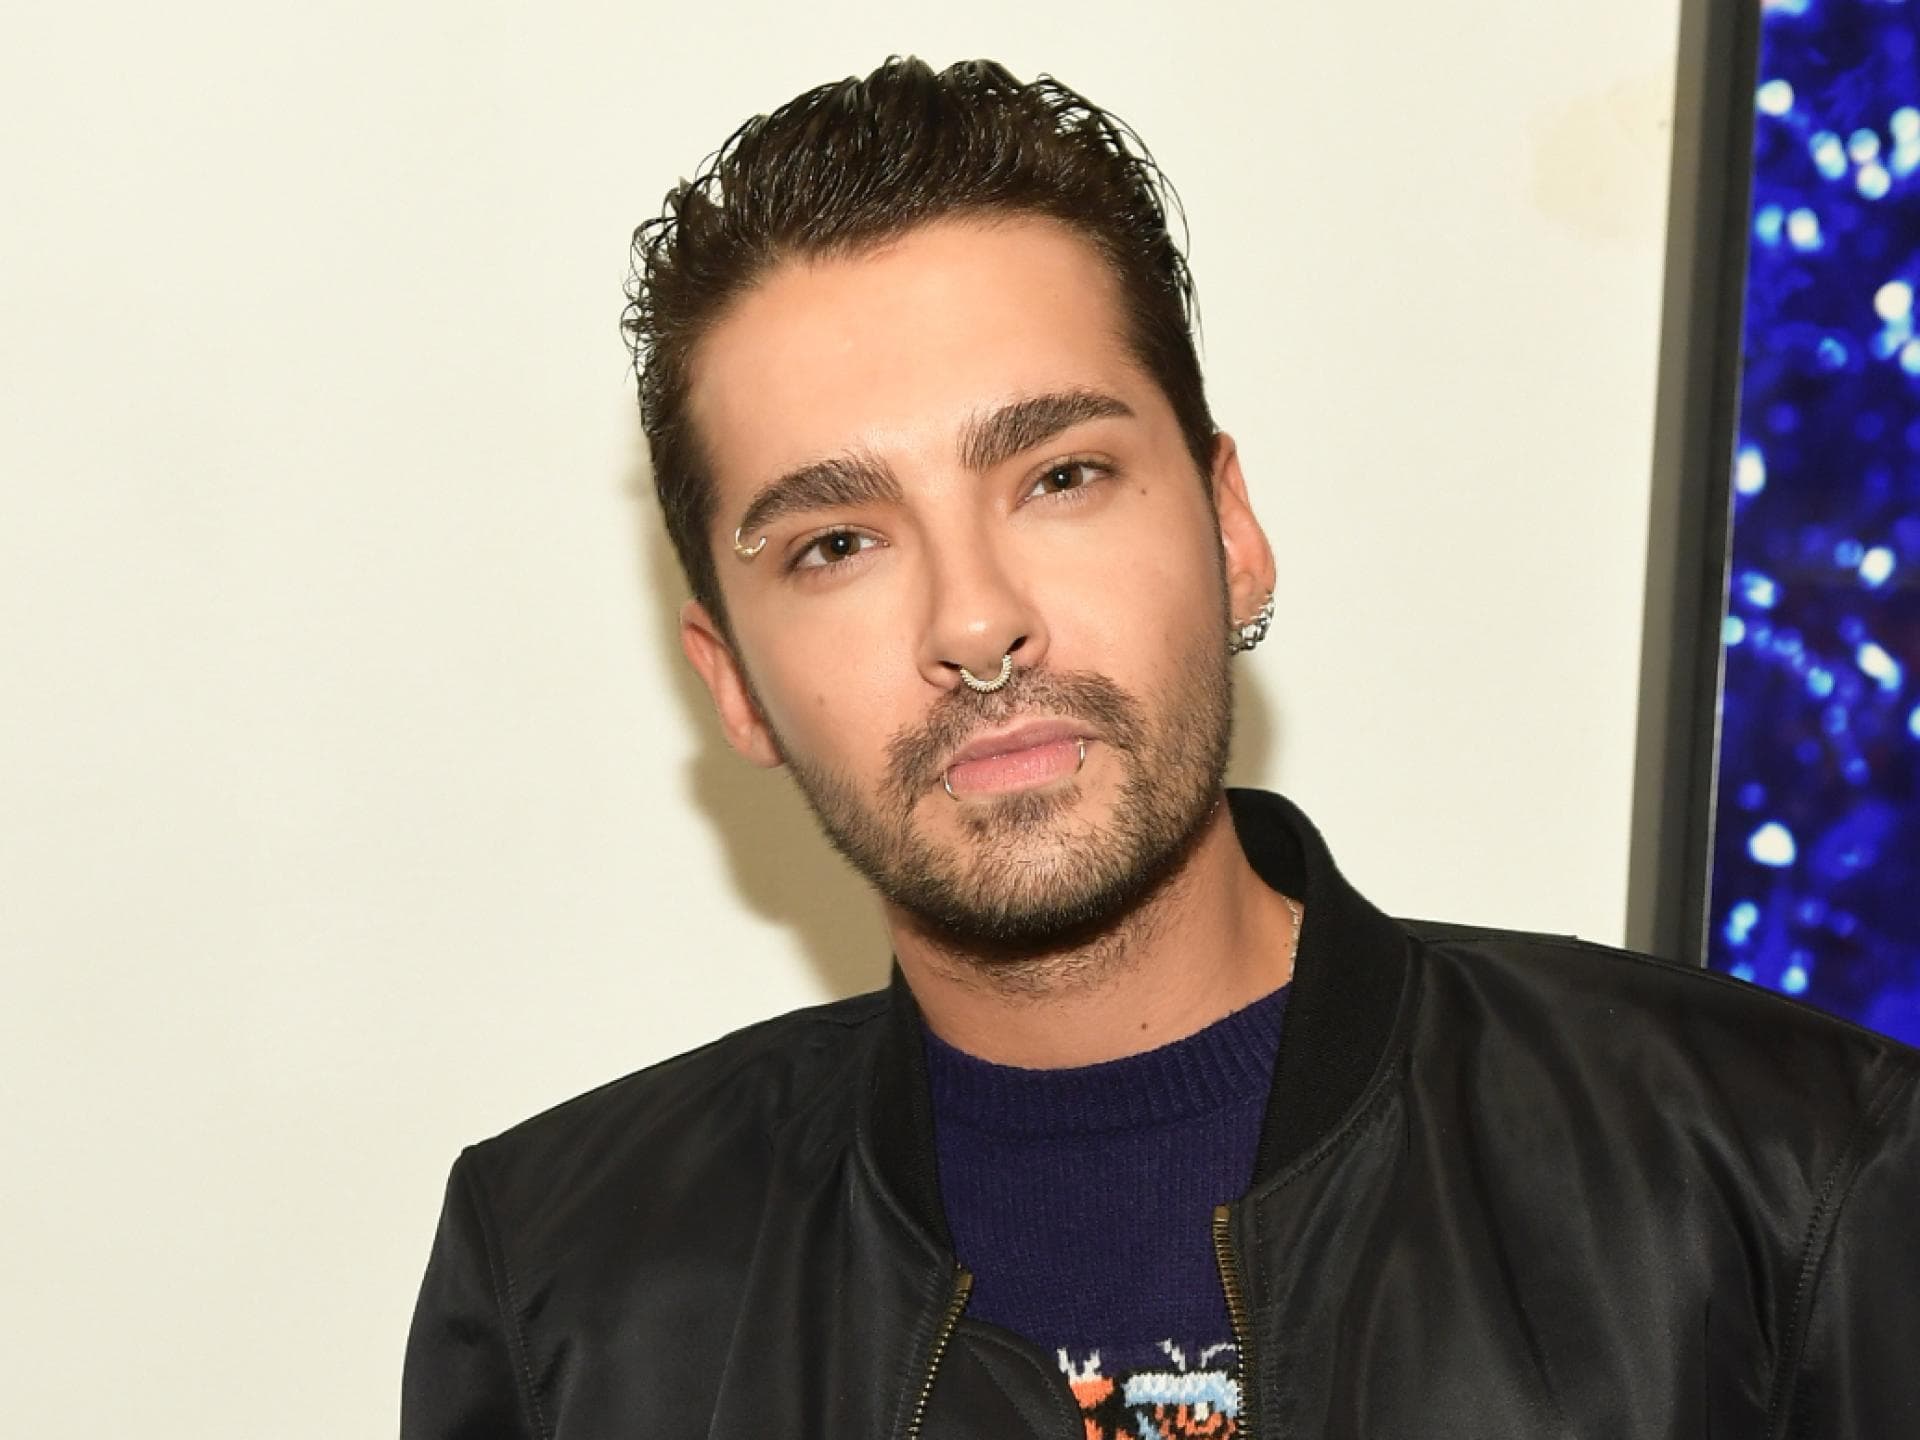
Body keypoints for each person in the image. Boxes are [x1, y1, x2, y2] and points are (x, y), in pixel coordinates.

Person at [401, 58, 1920, 1439]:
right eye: (838, 542)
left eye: (1059, 476)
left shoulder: (1784, 1187)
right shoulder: (564, 1295)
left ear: (1229, 530)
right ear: (733, 682)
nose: (977, 621)